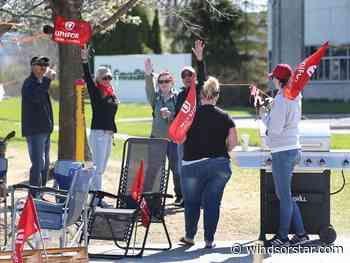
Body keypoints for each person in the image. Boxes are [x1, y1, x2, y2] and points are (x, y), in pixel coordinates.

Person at [179, 76, 237, 249]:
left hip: (192, 164)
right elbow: (233, 143)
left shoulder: (190, 116)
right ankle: (209, 240)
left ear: (201, 95)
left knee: (191, 202)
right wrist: (221, 150)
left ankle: (190, 237)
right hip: (219, 165)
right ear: (216, 96)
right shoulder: (226, 116)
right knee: (212, 203)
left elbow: (180, 138)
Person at [261, 64, 309, 247]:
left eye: (273, 77)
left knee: (285, 196)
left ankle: (282, 237)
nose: (272, 79)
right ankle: (301, 233)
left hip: (283, 151)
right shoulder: (295, 94)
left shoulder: (281, 99)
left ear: (279, 80)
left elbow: (274, 129)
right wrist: (270, 110)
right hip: (292, 148)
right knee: (285, 195)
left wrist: (263, 115)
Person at [144, 59, 182, 205]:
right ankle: (149, 198)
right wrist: (148, 75)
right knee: (153, 169)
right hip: (156, 139)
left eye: (167, 80)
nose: (164, 83)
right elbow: (149, 89)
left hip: (173, 140)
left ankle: (180, 195)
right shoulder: (156, 98)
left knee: (176, 169)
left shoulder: (178, 97)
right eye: (161, 81)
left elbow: (182, 118)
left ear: (172, 82)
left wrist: (170, 116)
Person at [81, 46, 119, 191]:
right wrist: (85, 60)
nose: (108, 79)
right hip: (98, 134)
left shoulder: (111, 93)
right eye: (105, 77)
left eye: (110, 77)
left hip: (108, 135)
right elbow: (88, 78)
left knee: (101, 167)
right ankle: (96, 197)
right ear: (98, 78)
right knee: (97, 167)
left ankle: (91, 192)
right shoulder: (96, 91)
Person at [174, 39, 207, 206]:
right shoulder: (180, 95)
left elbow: (203, 77)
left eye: (190, 75)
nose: (187, 78)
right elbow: (177, 116)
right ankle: (187, 198)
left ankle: (199, 199)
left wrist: (200, 59)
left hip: (198, 137)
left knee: (198, 168)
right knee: (183, 169)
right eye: (184, 76)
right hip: (183, 138)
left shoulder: (199, 90)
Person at [21, 56, 56, 194]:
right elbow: (36, 98)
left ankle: (39, 194)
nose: (43, 67)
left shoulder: (41, 83)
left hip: (45, 130)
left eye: (45, 64)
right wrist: (47, 80)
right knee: (38, 164)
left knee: (45, 165)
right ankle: (34, 196)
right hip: (35, 131)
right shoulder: (29, 83)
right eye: (40, 64)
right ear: (32, 66)